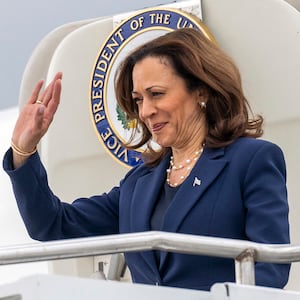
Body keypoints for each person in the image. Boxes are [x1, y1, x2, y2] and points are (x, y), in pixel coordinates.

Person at [3, 28, 290, 291]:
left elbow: (271, 268)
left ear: (201, 90)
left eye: (156, 94)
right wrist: (23, 149)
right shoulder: (137, 184)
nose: (145, 111)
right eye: (139, 99)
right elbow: (51, 225)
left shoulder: (251, 161)